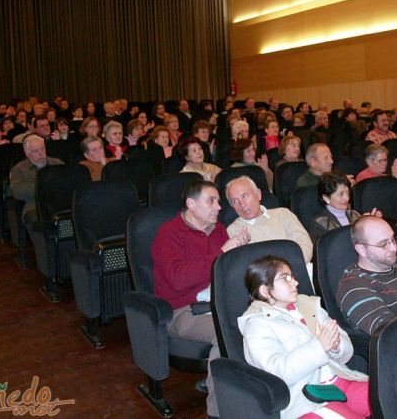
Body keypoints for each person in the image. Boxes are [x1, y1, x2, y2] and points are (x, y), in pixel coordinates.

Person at [152, 180, 251, 418]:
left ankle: (250, 394)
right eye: (212, 201)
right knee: (226, 332)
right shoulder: (168, 234)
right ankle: (218, 412)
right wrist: (223, 253)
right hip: (183, 311)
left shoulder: (218, 230)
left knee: (264, 320)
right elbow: (178, 279)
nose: (219, 207)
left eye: (218, 201)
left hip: (218, 302)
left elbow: (227, 271)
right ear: (191, 204)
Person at [239, 256, 370, 419]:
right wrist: (320, 346)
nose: (295, 283)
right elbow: (277, 374)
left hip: (339, 379)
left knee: (393, 399)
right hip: (305, 397)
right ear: (265, 291)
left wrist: (336, 346)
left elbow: (346, 352)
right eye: (285, 279)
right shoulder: (257, 325)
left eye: (292, 277)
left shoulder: (309, 305)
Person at [226, 176, 314, 265]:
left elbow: (305, 245)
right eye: (235, 201)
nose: (242, 204)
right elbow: (252, 265)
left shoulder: (284, 214)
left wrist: (292, 267)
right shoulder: (234, 231)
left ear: (258, 194)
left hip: (300, 268)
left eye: (245, 196)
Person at [310, 171, 380, 242]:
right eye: (341, 194)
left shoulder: (354, 214)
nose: (347, 198)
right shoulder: (320, 223)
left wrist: (369, 223)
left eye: (348, 193)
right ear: (326, 198)